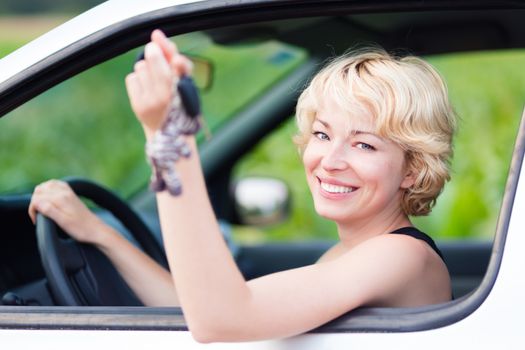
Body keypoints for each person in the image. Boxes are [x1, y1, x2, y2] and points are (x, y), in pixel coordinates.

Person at [28, 29, 455, 342]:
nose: (330, 160)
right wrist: (98, 234)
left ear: (412, 169)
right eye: (323, 135)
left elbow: (222, 318)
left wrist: (169, 136)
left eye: (363, 144)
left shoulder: (401, 256)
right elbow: (195, 307)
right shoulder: (348, 254)